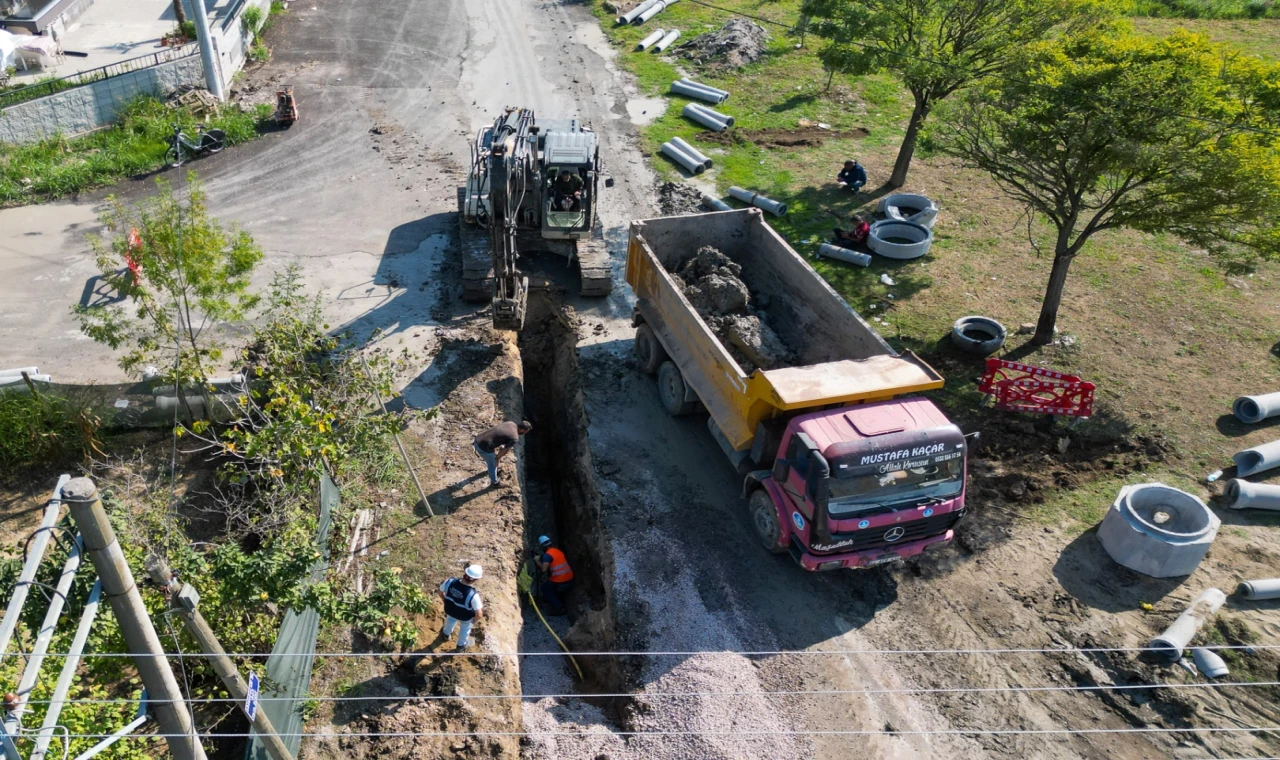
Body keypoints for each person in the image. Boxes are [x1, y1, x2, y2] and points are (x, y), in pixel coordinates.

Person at [474, 420, 532, 487]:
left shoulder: (510, 423)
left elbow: (497, 434)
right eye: (525, 432)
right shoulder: (514, 437)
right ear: (522, 429)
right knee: (493, 465)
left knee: (493, 460)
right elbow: (505, 450)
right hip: (482, 446)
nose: (524, 433)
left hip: (479, 438)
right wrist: (497, 459)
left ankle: (492, 471)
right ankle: (495, 483)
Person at [439, 565, 483, 651]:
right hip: (465, 616)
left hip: (450, 610)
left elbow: (440, 592)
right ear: (475, 580)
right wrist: (474, 620)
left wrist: (445, 600)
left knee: (450, 620)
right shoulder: (473, 595)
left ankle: (446, 634)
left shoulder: (450, 581)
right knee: (465, 629)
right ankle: (461, 646)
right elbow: (479, 614)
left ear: (465, 573)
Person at [534, 535, 574, 616]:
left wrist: (537, 561)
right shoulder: (557, 551)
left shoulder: (547, 556)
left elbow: (544, 570)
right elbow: (552, 559)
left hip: (561, 581)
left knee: (545, 588)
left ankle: (559, 607)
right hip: (570, 578)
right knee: (550, 584)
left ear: (542, 546)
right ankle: (555, 599)